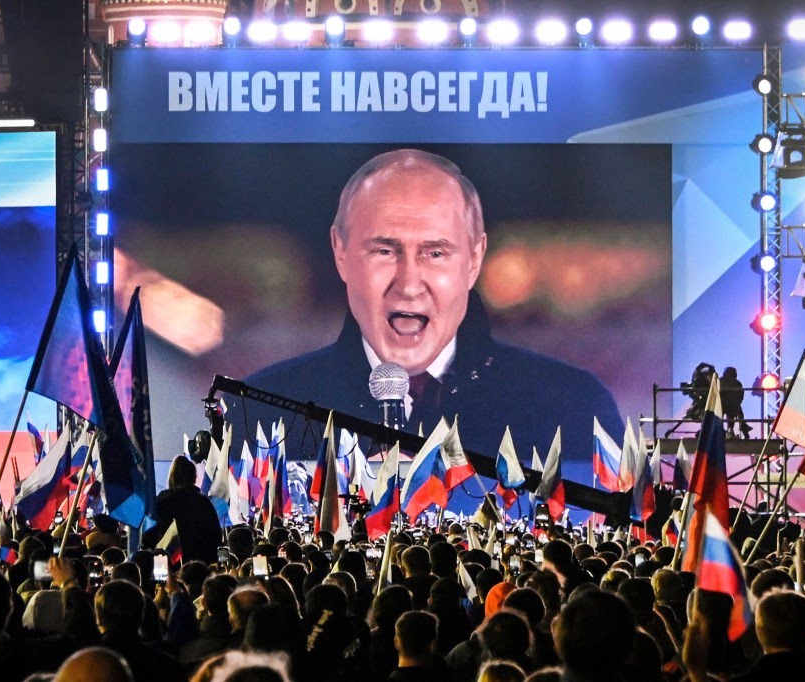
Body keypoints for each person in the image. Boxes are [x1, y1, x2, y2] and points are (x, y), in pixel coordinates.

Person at [229, 149, 621, 484]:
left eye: (435, 253)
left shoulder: (571, 407)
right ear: (341, 252)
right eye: (384, 250)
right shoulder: (262, 412)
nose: (409, 283)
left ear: (474, 259)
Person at [142, 456, 223, 564]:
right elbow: (216, 538)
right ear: (194, 477)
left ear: (172, 477)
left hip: (167, 567)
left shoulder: (163, 502)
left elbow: (149, 537)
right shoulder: (205, 504)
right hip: (202, 566)